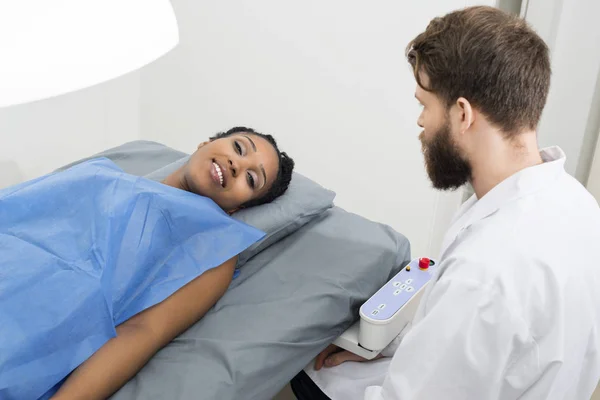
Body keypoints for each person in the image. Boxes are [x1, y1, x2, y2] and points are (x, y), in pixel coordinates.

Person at [293, 6, 600, 400]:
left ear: (462, 114)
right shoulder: (577, 205)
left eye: (425, 104)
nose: (421, 122)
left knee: (306, 375)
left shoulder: (486, 273)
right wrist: (391, 349)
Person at [1, 126, 294, 400]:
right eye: (239, 148)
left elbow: (142, 331)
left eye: (252, 179)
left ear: (238, 207)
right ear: (205, 144)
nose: (237, 165)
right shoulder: (101, 176)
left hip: (26, 332)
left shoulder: (216, 248)